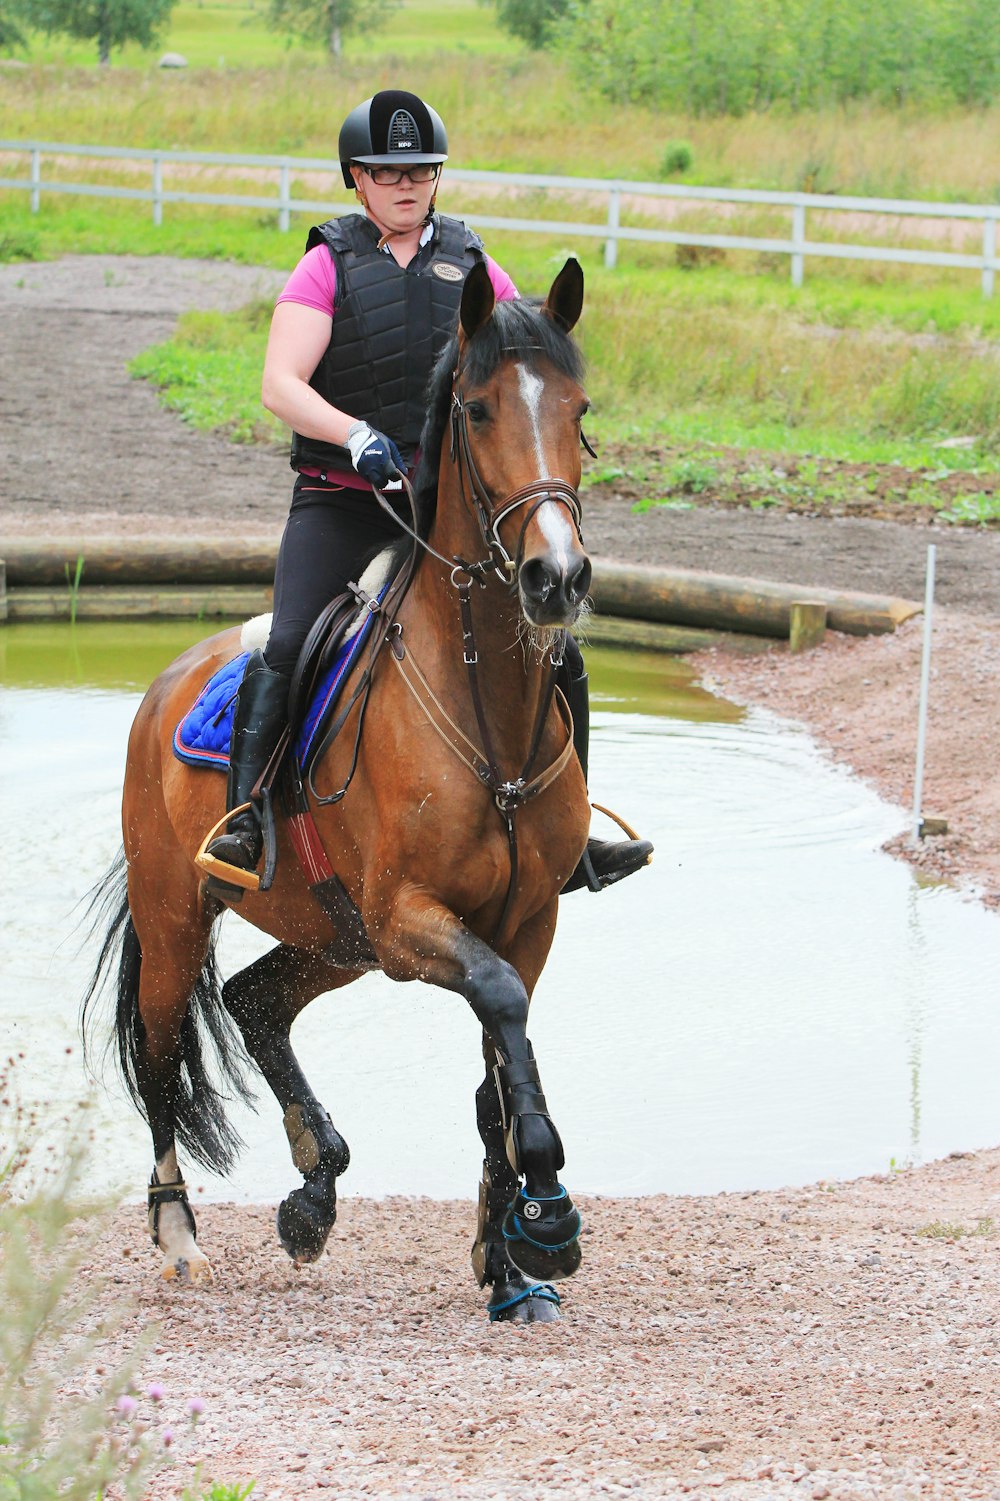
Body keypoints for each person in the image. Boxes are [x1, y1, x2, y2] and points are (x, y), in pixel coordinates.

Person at [206, 89, 652, 894]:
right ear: (357, 179)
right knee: (289, 641)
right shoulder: (325, 264)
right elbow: (280, 382)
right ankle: (243, 821)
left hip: (442, 512)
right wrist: (355, 435)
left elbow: (520, 378)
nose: (406, 184)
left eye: (420, 170)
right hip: (343, 500)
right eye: (387, 171)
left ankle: (573, 832)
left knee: (563, 649)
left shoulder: (479, 269)